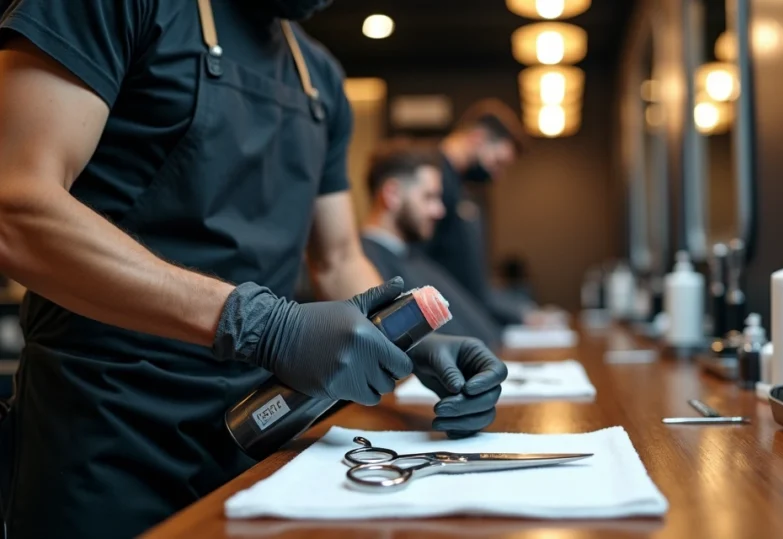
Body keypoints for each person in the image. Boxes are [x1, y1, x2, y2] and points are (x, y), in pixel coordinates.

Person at [0, 1, 507, 537]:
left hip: (259, 429)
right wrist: (261, 324)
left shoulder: (319, 79)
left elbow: (337, 259)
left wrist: (406, 338)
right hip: (104, 427)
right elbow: (16, 209)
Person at [359, 139, 503, 348]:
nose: (439, 211)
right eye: (429, 197)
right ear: (393, 194)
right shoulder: (366, 265)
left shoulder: (415, 260)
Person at [425, 99, 535, 326]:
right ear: (478, 138)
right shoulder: (432, 179)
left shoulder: (462, 188)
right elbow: (422, 267)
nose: (497, 175)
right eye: (497, 162)